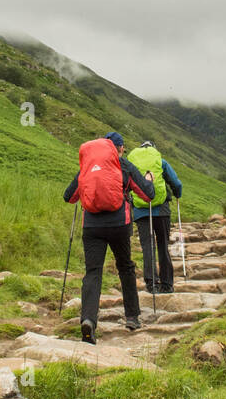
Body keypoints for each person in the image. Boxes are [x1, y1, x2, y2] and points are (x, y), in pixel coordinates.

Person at [63, 131, 155, 342]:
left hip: (92, 226)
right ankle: (132, 317)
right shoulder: (124, 166)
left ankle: (88, 320)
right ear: (119, 148)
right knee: (125, 267)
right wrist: (149, 179)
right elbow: (147, 194)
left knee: (93, 272)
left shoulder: (87, 167)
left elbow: (69, 197)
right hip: (119, 225)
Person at [126, 140, 184, 293]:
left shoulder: (132, 163)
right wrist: (177, 194)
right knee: (163, 245)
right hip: (161, 210)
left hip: (140, 210)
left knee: (147, 247)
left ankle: (151, 284)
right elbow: (176, 183)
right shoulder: (161, 162)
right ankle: (167, 284)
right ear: (153, 150)